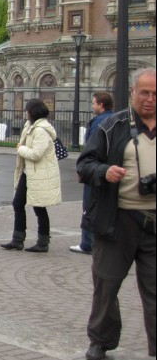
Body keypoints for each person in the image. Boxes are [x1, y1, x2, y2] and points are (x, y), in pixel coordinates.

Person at [76, 68, 155, 360]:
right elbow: (85, 164)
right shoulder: (112, 125)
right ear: (133, 92)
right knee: (106, 285)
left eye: (156, 94)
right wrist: (104, 171)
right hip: (116, 220)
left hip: (154, 221)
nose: (150, 99)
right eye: (144, 92)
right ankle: (101, 339)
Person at [1, 98, 61, 252]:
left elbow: (36, 154)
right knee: (18, 203)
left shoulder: (40, 130)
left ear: (33, 112)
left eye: (27, 110)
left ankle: (43, 242)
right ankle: (17, 239)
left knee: (39, 207)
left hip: (39, 174)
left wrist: (20, 148)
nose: (25, 113)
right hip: (30, 173)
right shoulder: (31, 126)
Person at [71, 91, 114, 255]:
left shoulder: (98, 122)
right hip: (107, 169)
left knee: (88, 206)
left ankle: (87, 242)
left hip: (95, 169)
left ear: (101, 105)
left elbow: (91, 148)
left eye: (94, 103)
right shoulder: (114, 119)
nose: (92, 106)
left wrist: (83, 169)